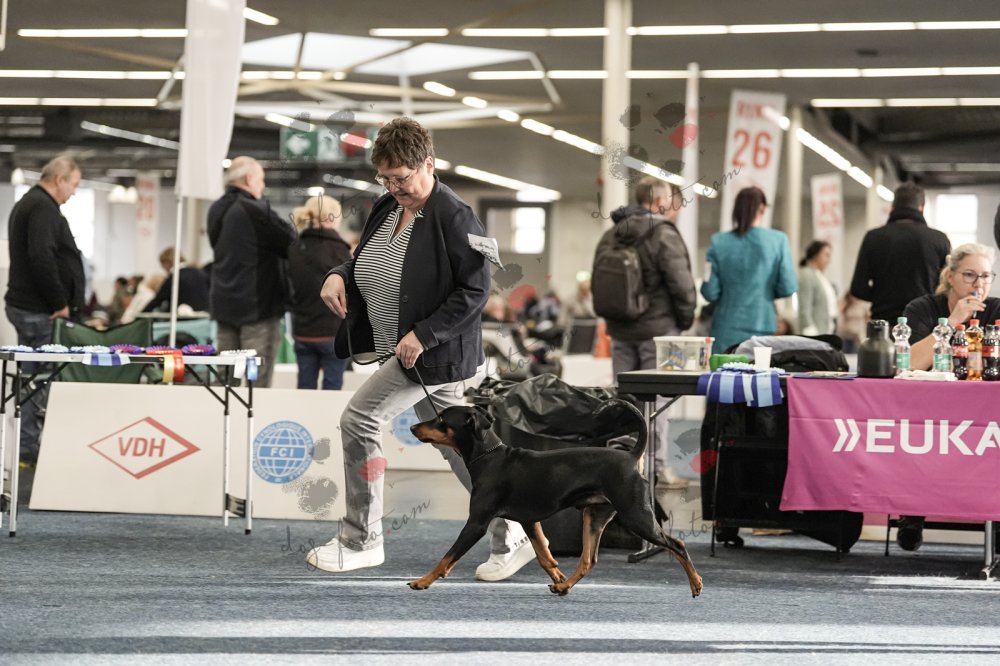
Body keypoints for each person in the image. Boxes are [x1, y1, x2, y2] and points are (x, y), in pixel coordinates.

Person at [307, 117, 534, 578]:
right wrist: (337, 274)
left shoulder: (456, 217)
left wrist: (424, 334)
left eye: (401, 178)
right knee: (459, 448)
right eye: (384, 179)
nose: (394, 187)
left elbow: (476, 292)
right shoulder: (386, 206)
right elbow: (364, 259)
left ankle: (362, 540)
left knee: (358, 420)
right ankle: (513, 532)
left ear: (428, 164)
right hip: (404, 350)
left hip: (433, 355)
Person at [893, 243, 1000, 551]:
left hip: (984, 406)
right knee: (916, 434)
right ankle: (912, 513)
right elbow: (909, 364)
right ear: (951, 276)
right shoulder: (922, 308)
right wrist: (953, 321)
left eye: (985, 276)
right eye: (969, 275)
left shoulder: (996, 310)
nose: (978, 284)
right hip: (929, 405)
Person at [595, 177, 696, 487]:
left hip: (620, 329)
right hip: (660, 331)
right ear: (660, 201)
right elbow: (681, 284)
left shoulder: (612, 234)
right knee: (658, 401)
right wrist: (685, 320)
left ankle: (620, 468)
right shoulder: (663, 232)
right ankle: (656, 468)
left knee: (624, 400)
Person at [4, 155, 85, 465]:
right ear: (59, 179)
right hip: (40, 311)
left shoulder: (32, 203)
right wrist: (59, 303)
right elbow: (42, 257)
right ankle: (35, 447)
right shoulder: (42, 208)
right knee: (42, 381)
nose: (74, 192)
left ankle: (27, 445)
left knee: (31, 379)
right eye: (74, 185)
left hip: (28, 306)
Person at [207, 156, 296, 387]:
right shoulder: (255, 210)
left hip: (224, 304)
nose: (263, 186)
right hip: (258, 308)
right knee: (258, 380)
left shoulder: (215, 209)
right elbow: (291, 242)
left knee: (226, 378)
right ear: (248, 179)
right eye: (261, 180)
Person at [701, 186, 798, 355]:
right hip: (763, 326)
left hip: (725, 328)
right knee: (761, 371)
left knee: (724, 371)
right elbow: (788, 287)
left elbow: (710, 292)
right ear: (762, 208)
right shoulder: (778, 241)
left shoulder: (718, 242)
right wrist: (766, 292)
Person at [850, 183, 950, 324]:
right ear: (922, 208)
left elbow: (858, 289)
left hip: (883, 322)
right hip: (925, 322)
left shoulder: (873, 237)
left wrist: (882, 297)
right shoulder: (938, 239)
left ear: (893, 207)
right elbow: (947, 285)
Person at [288, 195, 352, 390]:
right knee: (332, 391)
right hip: (333, 331)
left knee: (305, 388)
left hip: (302, 331)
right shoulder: (340, 250)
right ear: (333, 217)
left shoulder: (294, 249)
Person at [142, 247, 210, 314]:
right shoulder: (201, 273)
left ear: (167, 262)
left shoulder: (174, 276)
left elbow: (158, 300)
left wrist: (141, 314)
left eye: (162, 265)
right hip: (204, 317)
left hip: (181, 318)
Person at [797, 240, 837, 336]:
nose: (829, 260)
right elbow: (804, 307)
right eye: (826, 255)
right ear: (815, 255)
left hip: (825, 330)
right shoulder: (807, 274)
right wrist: (810, 330)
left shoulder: (819, 276)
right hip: (814, 333)